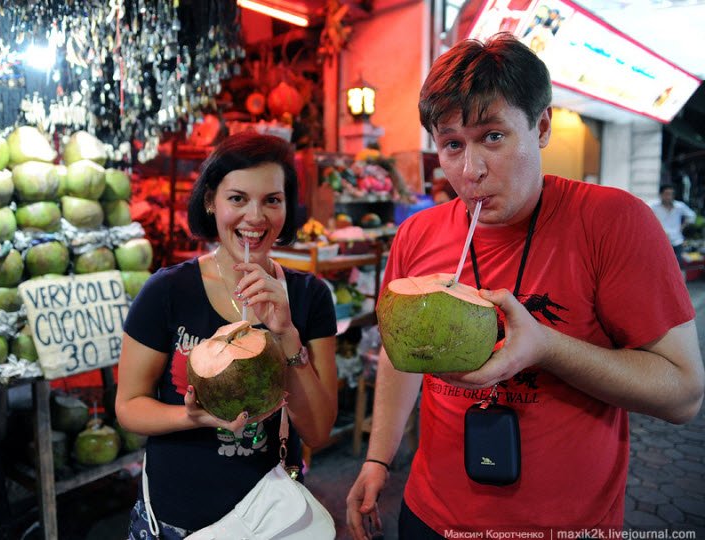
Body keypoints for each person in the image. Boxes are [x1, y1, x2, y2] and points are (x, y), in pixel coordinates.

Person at [346, 33, 704, 538]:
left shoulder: (613, 223)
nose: (470, 170)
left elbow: (683, 395)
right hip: (432, 514)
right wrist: (378, 459)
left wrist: (547, 347)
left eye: (493, 136)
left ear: (541, 127)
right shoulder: (417, 234)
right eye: (452, 144)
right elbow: (401, 354)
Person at [116, 131, 338, 537]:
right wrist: (191, 416)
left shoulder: (310, 296)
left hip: (271, 518)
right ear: (210, 201)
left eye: (272, 200)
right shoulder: (167, 291)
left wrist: (286, 334)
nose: (255, 217)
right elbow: (129, 406)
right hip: (177, 517)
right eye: (238, 198)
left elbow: (319, 431)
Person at [650, 183, 697, 269]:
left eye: (671, 194)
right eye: (666, 194)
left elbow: (692, 216)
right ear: (661, 194)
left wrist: (683, 226)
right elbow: (643, 215)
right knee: (660, 265)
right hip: (660, 240)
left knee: (677, 266)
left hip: (677, 240)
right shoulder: (653, 206)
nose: (669, 197)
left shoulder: (679, 206)